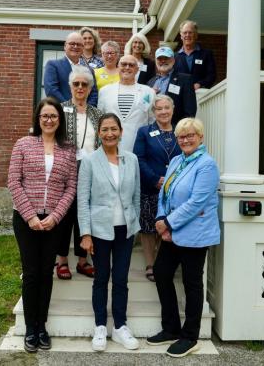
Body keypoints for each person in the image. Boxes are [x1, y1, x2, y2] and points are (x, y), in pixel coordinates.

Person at [7, 97, 77, 353]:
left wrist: (55, 216)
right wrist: (30, 216)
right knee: (31, 272)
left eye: (54, 116)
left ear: (60, 121)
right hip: (26, 220)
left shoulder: (69, 149)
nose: (49, 120)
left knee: (46, 273)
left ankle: (42, 326)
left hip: (53, 222)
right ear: (38, 119)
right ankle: (30, 327)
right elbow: (14, 182)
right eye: (44, 116)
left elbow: (71, 188)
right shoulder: (23, 144)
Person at [147, 117, 220, 358]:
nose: (186, 139)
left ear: (200, 137)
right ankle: (170, 328)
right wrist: (160, 220)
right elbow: (164, 194)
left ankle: (190, 336)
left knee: (192, 284)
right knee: (161, 272)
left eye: (190, 135)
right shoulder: (177, 160)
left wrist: (168, 222)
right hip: (170, 232)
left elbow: (196, 202)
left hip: (195, 234)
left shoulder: (207, 165)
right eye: (181, 136)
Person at [78, 113, 141, 352]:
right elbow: (83, 200)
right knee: (101, 278)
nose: (109, 133)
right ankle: (100, 327)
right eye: (104, 129)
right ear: (99, 133)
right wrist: (85, 233)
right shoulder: (90, 161)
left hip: (125, 229)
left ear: (121, 131)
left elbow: (135, 195)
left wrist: (133, 224)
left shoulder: (131, 160)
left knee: (121, 279)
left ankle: (120, 326)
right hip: (100, 229)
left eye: (113, 129)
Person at [56, 66, 103, 279]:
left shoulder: (97, 114)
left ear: (90, 87)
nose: (80, 87)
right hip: (65, 170)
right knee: (65, 216)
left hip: (90, 170)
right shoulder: (60, 110)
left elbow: (101, 142)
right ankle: (62, 260)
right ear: (70, 87)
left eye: (85, 84)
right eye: (76, 84)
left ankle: (83, 261)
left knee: (85, 214)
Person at [133, 95, 181, 282]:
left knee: (167, 224)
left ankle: (162, 262)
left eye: (166, 108)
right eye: (159, 108)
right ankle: (150, 264)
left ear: (173, 109)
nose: (163, 112)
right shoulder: (145, 132)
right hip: (151, 186)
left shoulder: (181, 130)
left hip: (175, 190)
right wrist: (155, 179)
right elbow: (139, 158)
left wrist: (173, 181)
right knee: (148, 227)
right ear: (154, 112)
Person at [97, 54, 155, 152]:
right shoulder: (104, 91)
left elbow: (152, 120)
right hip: (110, 146)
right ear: (118, 67)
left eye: (131, 65)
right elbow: (100, 119)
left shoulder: (148, 92)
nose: (127, 67)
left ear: (137, 69)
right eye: (123, 64)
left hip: (138, 147)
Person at [44, 31, 98, 106]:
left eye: (79, 44)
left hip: (84, 114)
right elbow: (51, 91)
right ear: (65, 46)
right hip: (62, 113)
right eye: (72, 43)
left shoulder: (89, 70)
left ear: (83, 48)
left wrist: (86, 110)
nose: (75, 46)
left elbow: (93, 94)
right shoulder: (53, 65)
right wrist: (70, 108)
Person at [147, 46, 197, 124]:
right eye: (160, 59)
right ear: (156, 61)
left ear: (173, 61)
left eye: (166, 58)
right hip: (152, 129)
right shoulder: (150, 82)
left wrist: (180, 130)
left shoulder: (185, 80)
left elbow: (190, 111)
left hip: (175, 130)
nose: (163, 61)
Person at [174, 20, 216, 91]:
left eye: (190, 32)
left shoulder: (206, 54)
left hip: (200, 95)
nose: (187, 35)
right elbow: (172, 77)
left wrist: (200, 84)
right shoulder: (174, 56)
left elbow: (211, 76)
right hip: (180, 96)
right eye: (185, 33)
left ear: (196, 35)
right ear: (181, 36)